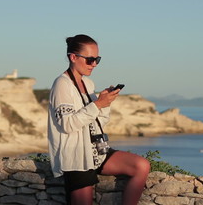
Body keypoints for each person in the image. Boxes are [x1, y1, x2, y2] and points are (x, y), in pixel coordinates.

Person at [47, 34, 150, 205]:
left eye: (97, 59)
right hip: (77, 156)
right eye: (90, 59)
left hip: (97, 150)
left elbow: (98, 122)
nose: (94, 64)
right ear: (73, 57)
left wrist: (105, 103)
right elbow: (67, 124)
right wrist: (97, 104)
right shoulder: (62, 84)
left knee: (141, 166)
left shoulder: (88, 84)